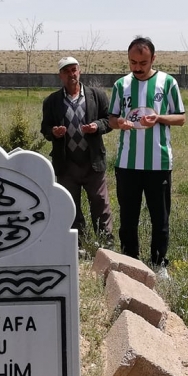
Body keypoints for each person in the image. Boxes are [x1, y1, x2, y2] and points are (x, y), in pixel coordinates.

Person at [108, 37, 186, 277]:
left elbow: (181, 117)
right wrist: (120, 123)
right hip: (127, 164)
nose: (137, 67)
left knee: (160, 217)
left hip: (158, 163)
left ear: (153, 58)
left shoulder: (168, 82)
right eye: (133, 62)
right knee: (128, 217)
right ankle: (131, 262)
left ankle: (159, 263)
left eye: (142, 62)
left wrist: (159, 118)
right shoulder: (121, 85)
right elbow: (112, 120)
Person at [41, 56, 113, 247]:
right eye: (66, 71)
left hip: (93, 161)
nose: (71, 74)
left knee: (100, 203)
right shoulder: (52, 101)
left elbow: (109, 121)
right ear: (60, 76)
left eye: (74, 70)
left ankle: (106, 244)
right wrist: (53, 133)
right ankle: (77, 245)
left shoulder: (96, 95)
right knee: (70, 206)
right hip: (67, 164)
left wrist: (96, 126)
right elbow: (45, 128)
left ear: (79, 71)